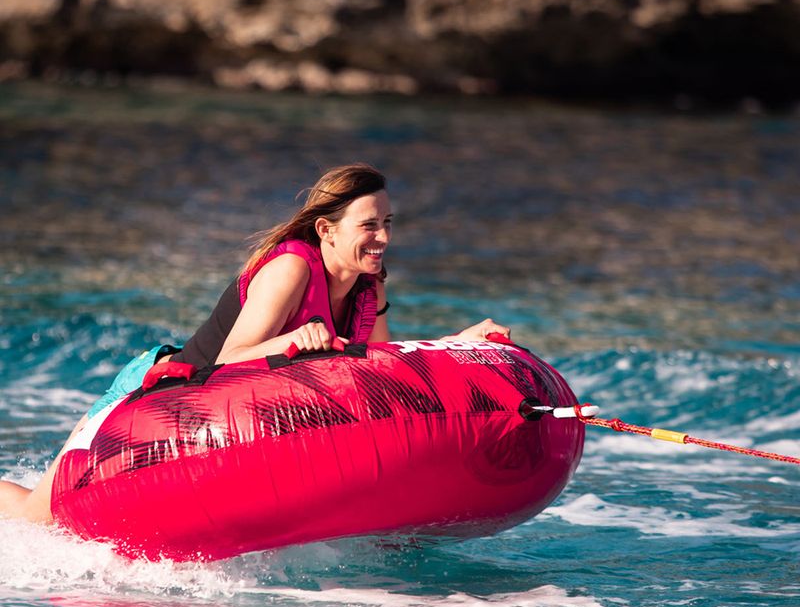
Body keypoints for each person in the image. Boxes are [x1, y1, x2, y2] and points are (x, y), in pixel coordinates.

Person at [0, 163, 510, 523]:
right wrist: (293, 340)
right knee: (39, 518)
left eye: (388, 224)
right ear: (327, 230)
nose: (383, 237)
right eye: (369, 225)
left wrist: (456, 343)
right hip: (154, 396)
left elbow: (380, 360)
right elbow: (230, 359)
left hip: (226, 417)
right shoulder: (291, 268)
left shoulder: (368, 285)